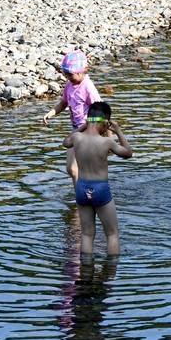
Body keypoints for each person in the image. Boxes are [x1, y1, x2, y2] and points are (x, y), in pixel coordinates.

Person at [63, 101, 133, 255]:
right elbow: (128, 153)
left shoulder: (77, 138)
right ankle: (110, 272)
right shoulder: (106, 141)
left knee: (87, 235)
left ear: (88, 120)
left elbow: (65, 142)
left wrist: (82, 127)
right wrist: (118, 131)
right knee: (112, 234)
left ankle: (86, 271)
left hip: (81, 188)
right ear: (106, 123)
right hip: (100, 189)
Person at [43, 50, 101, 185]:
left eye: (70, 74)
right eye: (66, 74)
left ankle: (84, 196)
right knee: (71, 168)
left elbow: (100, 109)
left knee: (77, 168)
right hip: (76, 129)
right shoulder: (70, 85)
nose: (68, 77)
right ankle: (81, 196)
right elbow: (64, 103)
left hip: (88, 131)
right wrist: (51, 113)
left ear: (81, 71)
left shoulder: (88, 87)